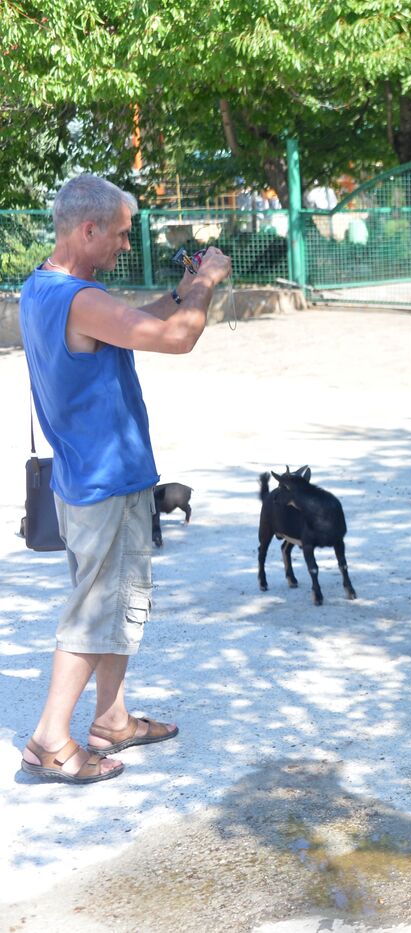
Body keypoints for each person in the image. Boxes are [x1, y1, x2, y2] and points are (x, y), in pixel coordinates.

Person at [17, 175, 232, 784]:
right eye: (117, 234)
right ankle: (49, 742)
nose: (123, 246)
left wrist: (185, 290)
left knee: (117, 603)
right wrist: (208, 286)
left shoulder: (45, 288)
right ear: (87, 229)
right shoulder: (79, 299)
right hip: (105, 482)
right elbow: (176, 337)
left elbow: (136, 320)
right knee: (94, 611)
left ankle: (111, 719)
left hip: (90, 477)